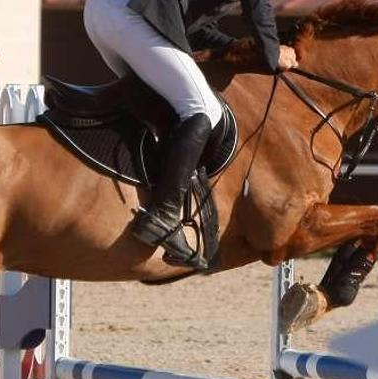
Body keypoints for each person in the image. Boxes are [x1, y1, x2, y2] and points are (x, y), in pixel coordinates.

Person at [83, 0, 298, 269]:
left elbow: (197, 29)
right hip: (130, 14)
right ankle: (163, 216)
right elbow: (258, 9)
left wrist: (236, 47)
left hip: (105, 15)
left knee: (168, 107)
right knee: (204, 109)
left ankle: (145, 203)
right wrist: (273, 52)